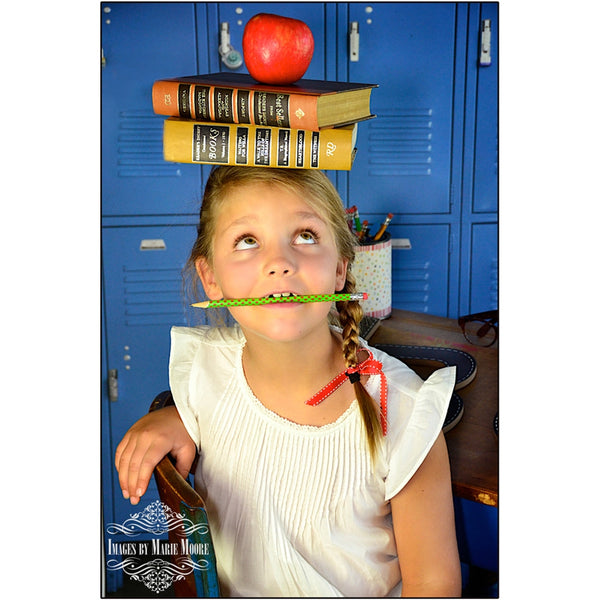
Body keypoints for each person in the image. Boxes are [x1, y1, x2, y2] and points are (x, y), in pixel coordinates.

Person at [115, 166, 461, 597]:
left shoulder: (405, 409)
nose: (279, 262)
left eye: (305, 236)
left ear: (340, 270)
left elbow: (434, 584)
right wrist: (176, 415)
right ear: (211, 279)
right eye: (247, 241)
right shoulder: (202, 374)